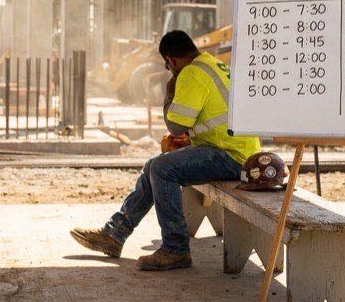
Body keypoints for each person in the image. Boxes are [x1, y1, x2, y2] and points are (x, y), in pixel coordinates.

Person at [71, 30, 260, 270]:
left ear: (171, 61)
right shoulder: (213, 64)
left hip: (231, 156)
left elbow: (176, 125)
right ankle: (114, 234)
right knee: (154, 165)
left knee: (162, 168)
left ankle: (175, 249)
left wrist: (169, 92)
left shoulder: (192, 73)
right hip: (234, 150)